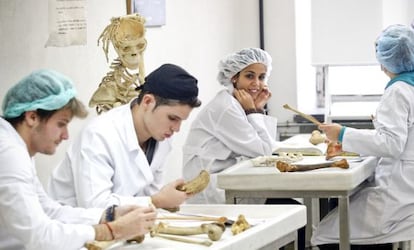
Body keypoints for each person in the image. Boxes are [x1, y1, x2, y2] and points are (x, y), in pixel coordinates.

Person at [0, 69, 157, 250]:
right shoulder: (8, 153)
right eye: (61, 124)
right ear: (32, 117)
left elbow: (48, 210)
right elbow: (39, 236)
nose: (66, 136)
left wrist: (110, 215)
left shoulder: (16, 147)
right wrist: (110, 230)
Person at [312, 24, 414, 250]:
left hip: (397, 193)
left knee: (324, 234)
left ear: (388, 60)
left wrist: (342, 133)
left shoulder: (398, 91)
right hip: (406, 186)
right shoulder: (410, 86)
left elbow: (391, 144)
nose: (380, 67)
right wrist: (351, 139)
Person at [48, 63, 202, 210]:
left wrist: (161, 202)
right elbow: (94, 206)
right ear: (148, 102)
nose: (177, 129)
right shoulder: (99, 135)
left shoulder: (162, 138)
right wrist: (157, 201)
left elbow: (149, 196)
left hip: (123, 227)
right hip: (75, 228)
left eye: (181, 121)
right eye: (172, 118)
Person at [182, 47, 277, 204]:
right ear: (234, 77)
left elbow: (266, 147)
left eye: (262, 77)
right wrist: (252, 110)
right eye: (249, 76)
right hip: (212, 188)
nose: (257, 83)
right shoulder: (227, 107)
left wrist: (257, 109)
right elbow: (264, 152)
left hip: (227, 179)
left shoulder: (235, 103)